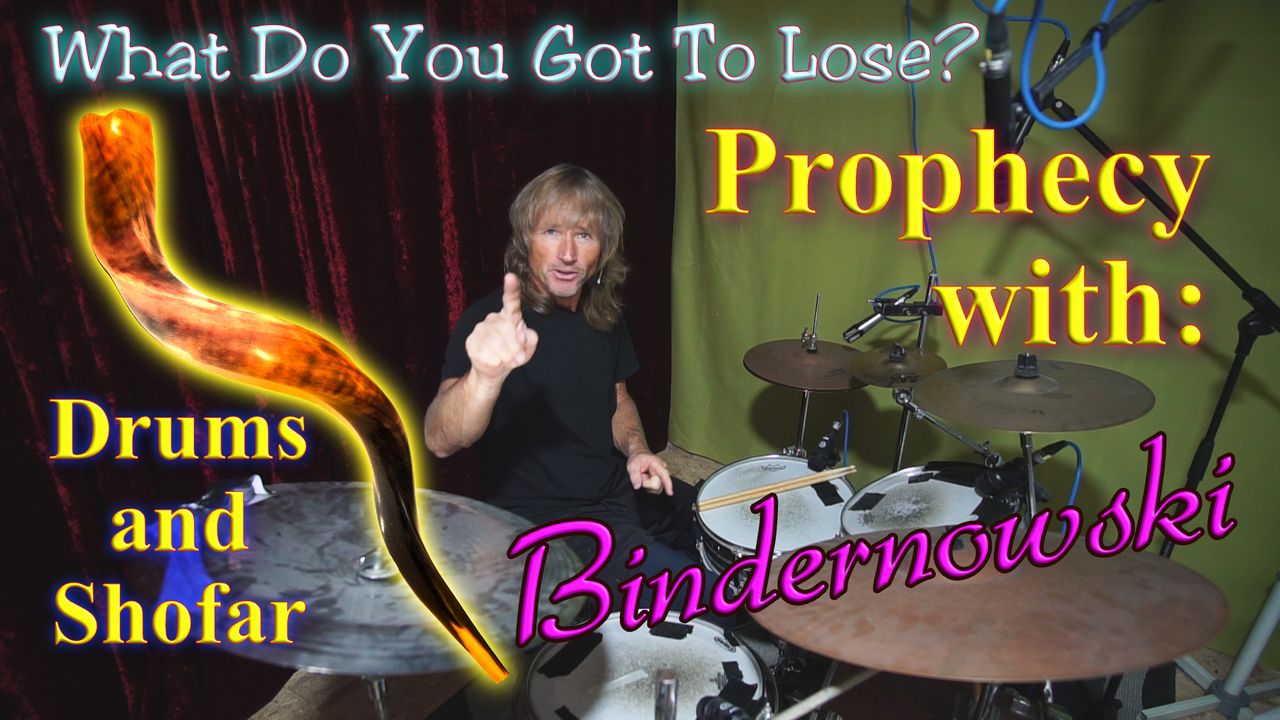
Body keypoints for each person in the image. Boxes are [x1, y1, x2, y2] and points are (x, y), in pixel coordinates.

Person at [424, 164, 701, 610]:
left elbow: (618, 399)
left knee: (729, 528)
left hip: (615, 486)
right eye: (551, 232)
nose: (568, 253)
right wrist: (485, 377)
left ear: (603, 250)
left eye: (584, 235)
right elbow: (440, 439)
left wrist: (637, 450)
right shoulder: (494, 324)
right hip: (550, 521)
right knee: (699, 595)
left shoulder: (604, 315)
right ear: (526, 241)